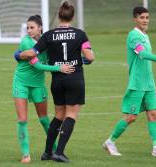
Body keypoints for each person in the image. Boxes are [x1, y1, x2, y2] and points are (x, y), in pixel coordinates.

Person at [17, 1, 95, 162]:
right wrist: (84, 58)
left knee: (59, 115)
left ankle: (47, 152)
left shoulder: (48, 35)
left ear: (59, 15)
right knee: (71, 115)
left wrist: (18, 55)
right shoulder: (80, 34)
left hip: (57, 81)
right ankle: (59, 152)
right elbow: (90, 57)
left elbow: (32, 52)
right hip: (74, 78)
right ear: (72, 16)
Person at [103, 6, 156, 157]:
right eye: (142, 17)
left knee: (153, 115)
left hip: (149, 84)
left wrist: (154, 85)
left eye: (147, 18)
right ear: (135, 19)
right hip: (137, 84)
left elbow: (146, 64)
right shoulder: (133, 36)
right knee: (131, 117)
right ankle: (110, 142)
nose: (145, 20)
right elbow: (143, 55)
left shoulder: (145, 35)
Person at [13, 15, 74, 164]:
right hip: (21, 83)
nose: (28, 30)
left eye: (32, 27)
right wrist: (59, 68)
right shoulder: (26, 42)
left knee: (44, 119)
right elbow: (37, 65)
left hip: (38, 85)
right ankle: (25, 154)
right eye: (27, 27)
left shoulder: (47, 42)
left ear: (40, 27)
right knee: (22, 120)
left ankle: (53, 150)